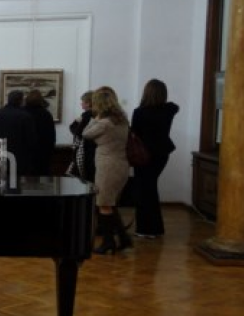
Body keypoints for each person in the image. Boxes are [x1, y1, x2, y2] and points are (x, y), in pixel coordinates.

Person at [82, 87, 133, 254]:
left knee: (103, 204)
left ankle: (108, 242)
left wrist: (94, 118)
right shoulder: (122, 121)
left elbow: (86, 134)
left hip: (107, 166)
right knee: (110, 203)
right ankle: (124, 238)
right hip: (121, 164)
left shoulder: (104, 123)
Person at [131, 79, 180, 238]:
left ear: (146, 93)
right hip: (161, 154)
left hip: (143, 155)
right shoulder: (169, 110)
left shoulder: (139, 112)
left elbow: (134, 133)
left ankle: (146, 229)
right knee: (150, 189)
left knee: (144, 191)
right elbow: (174, 106)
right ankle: (155, 228)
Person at [0, 90, 37, 177]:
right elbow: (31, 140)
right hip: (20, 158)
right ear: (21, 101)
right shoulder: (25, 116)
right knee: (17, 182)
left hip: (0, 156)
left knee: (1, 182)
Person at [67, 90, 97, 183]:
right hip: (91, 150)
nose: (81, 104)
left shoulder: (87, 115)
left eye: (83, 101)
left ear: (88, 103)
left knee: (86, 179)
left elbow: (78, 131)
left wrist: (76, 123)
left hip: (85, 150)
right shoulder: (95, 114)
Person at [24, 89, 56, 176]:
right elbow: (51, 136)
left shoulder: (22, 113)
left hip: (25, 152)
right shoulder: (46, 114)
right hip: (42, 151)